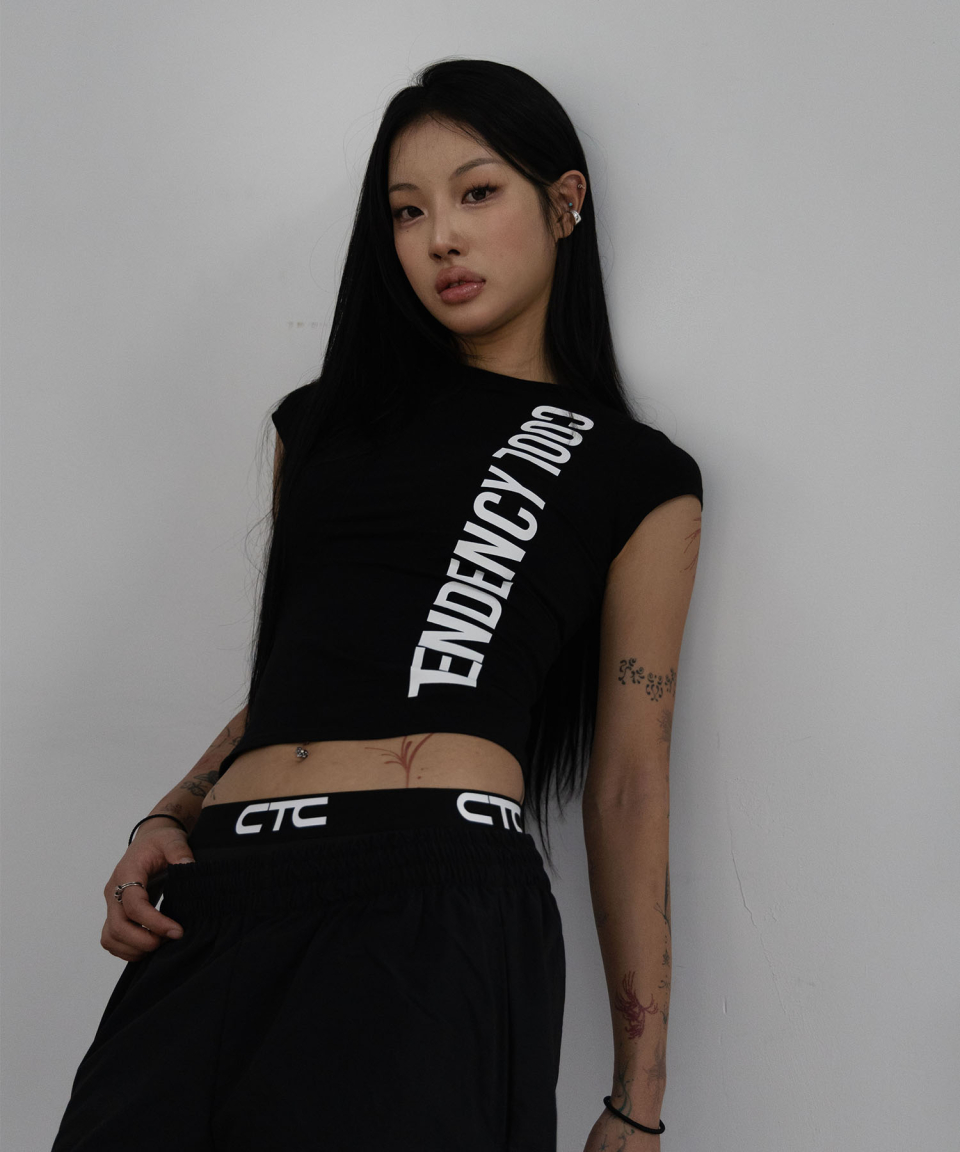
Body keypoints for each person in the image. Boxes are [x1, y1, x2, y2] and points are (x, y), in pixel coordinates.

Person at [51, 58, 702, 1152]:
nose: (441, 237)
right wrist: (168, 815)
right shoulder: (320, 427)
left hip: (432, 904)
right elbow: (302, 675)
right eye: (407, 211)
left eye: (476, 192)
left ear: (565, 202)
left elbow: (630, 783)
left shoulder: (631, 471)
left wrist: (638, 1097)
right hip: (227, 893)